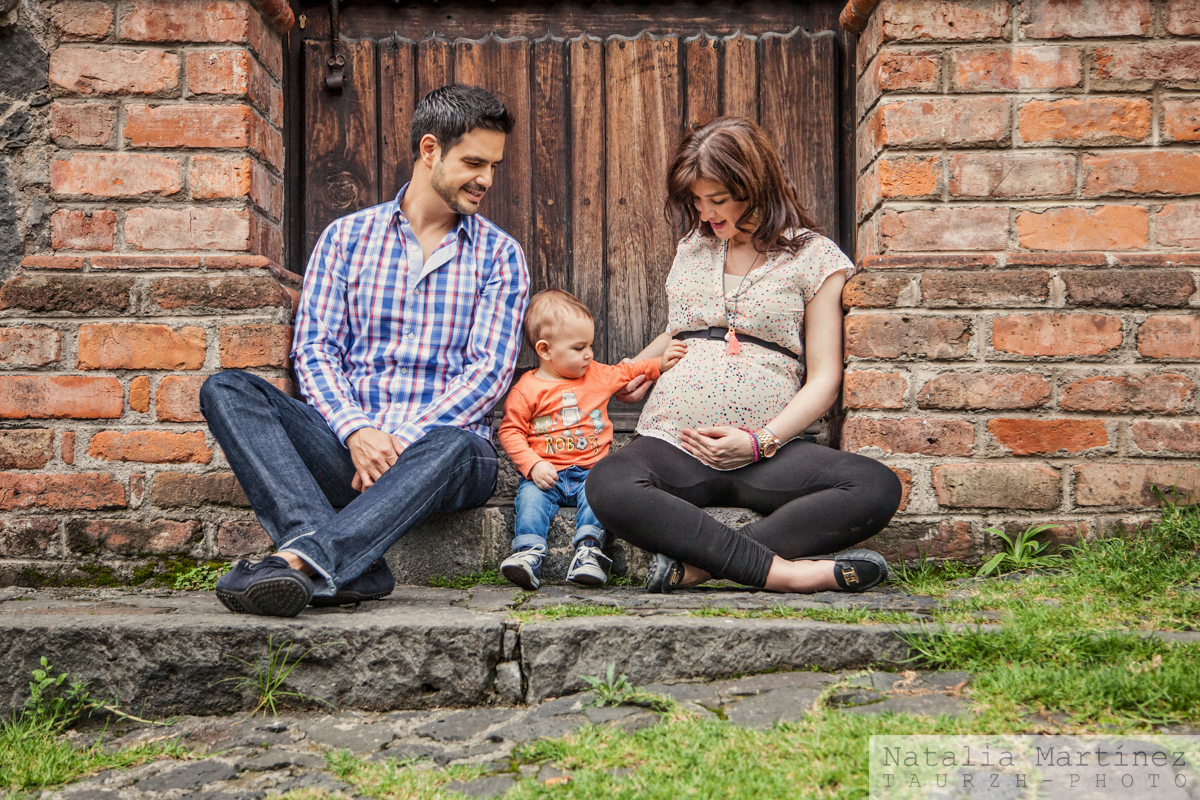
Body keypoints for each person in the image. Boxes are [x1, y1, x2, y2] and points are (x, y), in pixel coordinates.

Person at [200, 84, 529, 617]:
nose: (486, 179)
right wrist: (356, 431)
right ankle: (349, 563)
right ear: (429, 150)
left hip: (443, 457)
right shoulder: (345, 238)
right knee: (227, 388)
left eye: (493, 165)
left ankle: (303, 559)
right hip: (350, 450)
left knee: (450, 444)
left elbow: (488, 372)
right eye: (473, 162)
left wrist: (397, 442)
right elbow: (314, 350)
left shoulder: (500, 254)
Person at [586, 117, 903, 594]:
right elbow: (680, 328)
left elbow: (823, 379)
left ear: (756, 186)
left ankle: (703, 566)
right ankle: (787, 574)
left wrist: (760, 442)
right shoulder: (693, 247)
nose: (705, 213)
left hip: (770, 454)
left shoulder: (814, 257)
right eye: (696, 200)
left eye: (717, 200)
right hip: (676, 441)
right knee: (607, 483)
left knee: (876, 487)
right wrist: (638, 369)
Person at [496, 289, 687, 590]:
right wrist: (532, 465)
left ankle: (589, 552)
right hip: (547, 473)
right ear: (545, 350)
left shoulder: (596, 375)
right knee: (530, 498)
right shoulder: (527, 389)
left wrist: (658, 365)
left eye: (591, 345)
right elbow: (510, 431)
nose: (589, 354)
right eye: (578, 347)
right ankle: (528, 554)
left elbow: (627, 370)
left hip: (591, 471)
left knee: (599, 498)